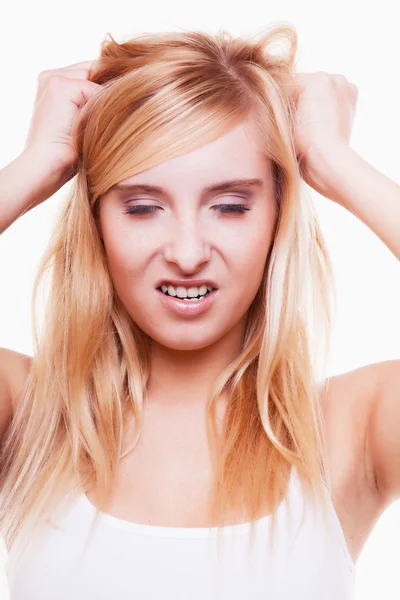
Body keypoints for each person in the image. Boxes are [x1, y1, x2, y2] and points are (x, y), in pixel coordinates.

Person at [0, 23, 399, 600]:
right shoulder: (28, 418)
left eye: (231, 206)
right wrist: (35, 165)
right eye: (142, 207)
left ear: (276, 215)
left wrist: (337, 164)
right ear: (97, 220)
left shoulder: (353, 429)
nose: (187, 253)